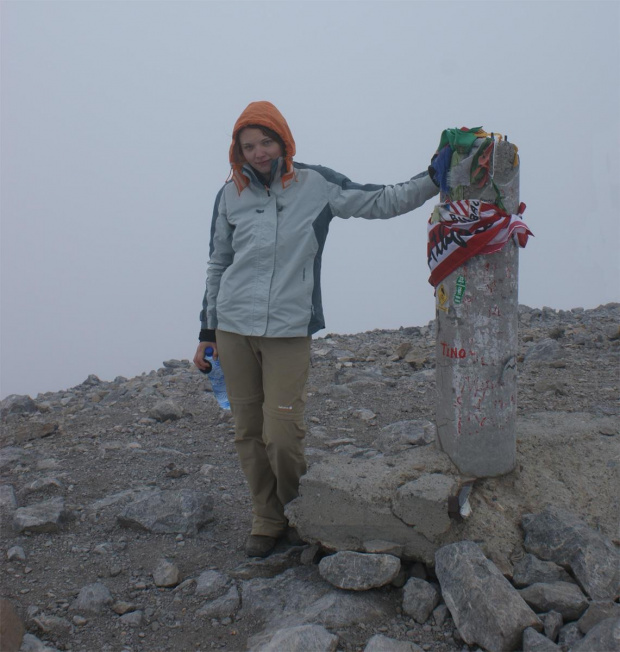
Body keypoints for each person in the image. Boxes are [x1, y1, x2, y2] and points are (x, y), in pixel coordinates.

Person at [193, 101, 440, 558]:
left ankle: (297, 512)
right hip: (232, 329)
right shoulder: (230, 194)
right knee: (247, 431)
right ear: (238, 151)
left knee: (282, 432)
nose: (259, 152)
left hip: (288, 329)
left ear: (283, 140)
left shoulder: (316, 184)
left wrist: (433, 178)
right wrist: (208, 332)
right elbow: (218, 262)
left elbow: (379, 200)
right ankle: (266, 520)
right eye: (248, 146)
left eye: (266, 141)